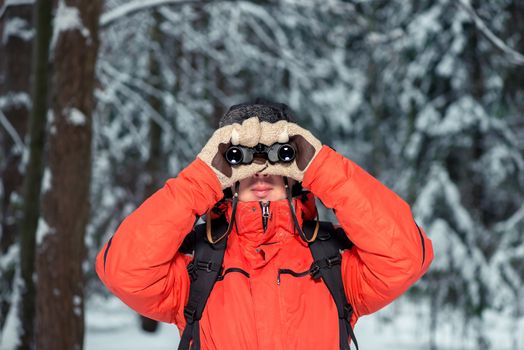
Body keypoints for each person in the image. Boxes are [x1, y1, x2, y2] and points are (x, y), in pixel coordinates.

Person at [96, 100, 433, 350]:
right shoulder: (196, 266)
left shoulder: (333, 261)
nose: (259, 171)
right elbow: (123, 271)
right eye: (241, 157)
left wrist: (320, 166)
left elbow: (404, 256)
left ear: (295, 169)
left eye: (276, 155)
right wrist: (202, 179)